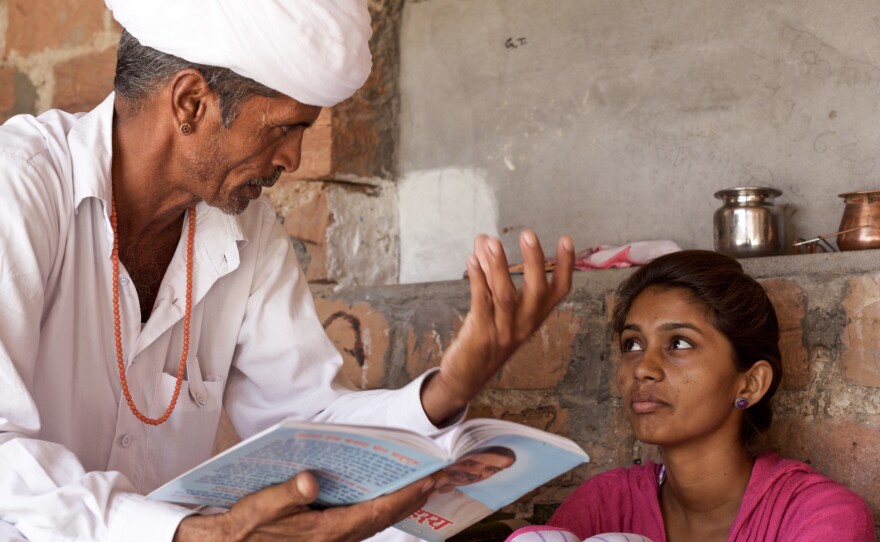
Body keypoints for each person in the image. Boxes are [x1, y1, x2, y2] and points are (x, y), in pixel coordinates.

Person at [0, 1, 575, 541]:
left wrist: (447, 389)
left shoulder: (247, 226)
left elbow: (307, 414)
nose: (293, 159)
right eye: (284, 127)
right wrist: (185, 532)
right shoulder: (19, 186)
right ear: (190, 104)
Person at [509, 250, 874, 542]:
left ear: (749, 384)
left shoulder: (820, 517)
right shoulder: (604, 504)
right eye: (632, 344)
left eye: (679, 343)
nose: (642, 368)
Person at [397, 446, 517, 540]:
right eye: (469, 463)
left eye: (491, 469)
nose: (475, 472)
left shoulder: (473, 507)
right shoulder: (396, 480)